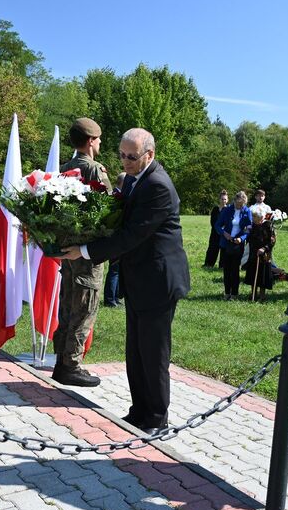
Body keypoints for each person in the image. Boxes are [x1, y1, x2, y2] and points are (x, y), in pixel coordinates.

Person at [60, 128, 190, 434]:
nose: (125, 161)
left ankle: (157, 418)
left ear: (150, 155)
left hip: (158, 281)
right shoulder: (134, 179)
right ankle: (139, 411)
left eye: (132, 157)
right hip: (139, 278)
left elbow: (132, 235)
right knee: (136, 350)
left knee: (154, 353)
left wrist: (85, 250)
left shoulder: (157, 185)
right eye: (121, 155)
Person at [51, 117, 112, 388]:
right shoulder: (94, 170)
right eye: (98, 139)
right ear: (90, 141)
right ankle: (71, 365)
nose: (99, 143)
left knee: (67, 305)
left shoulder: (64, 169)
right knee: (85, 308)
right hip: (87, 253)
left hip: (67, 252)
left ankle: (60, 362)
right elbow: (109, 209)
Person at [215, 191, 252, 300]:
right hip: (226, 243)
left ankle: (235, 293)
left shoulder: (247, 211)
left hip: (238, 244)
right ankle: (227, 292)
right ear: (234, 201)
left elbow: (249, 229)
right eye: (238, 204)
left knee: (235, 269)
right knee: (226, 269)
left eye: (242, 205)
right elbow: (217, 225)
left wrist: (242, 238)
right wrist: (224, 233)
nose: (239, 206)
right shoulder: (227, 210)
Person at [103, 172, 127, 307]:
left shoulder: (115, 195)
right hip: (116, 238)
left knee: (118, 268)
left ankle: (116, 297)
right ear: (122, 183)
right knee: (115, 269)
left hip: (117, 238)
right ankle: (110, 300)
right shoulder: (116, 197)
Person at [243, 210, 276, 301]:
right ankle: (253, 294)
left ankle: (262, 296)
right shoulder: (252, 226)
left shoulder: (268, 225)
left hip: (264, 255)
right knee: (253, 273)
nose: (253, 219)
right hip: (253, 253)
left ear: (261, 218)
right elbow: (248, 238)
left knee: (263, 275)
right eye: (253, 217)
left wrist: (264, 249)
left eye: (254, 217)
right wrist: (247, 232)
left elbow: (272, 240)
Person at [204, 190, 229, 268]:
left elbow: (228, 222)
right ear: (219, 199)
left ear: (227, 200)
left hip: (224, 233)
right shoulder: (215, 209)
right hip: (215, 232)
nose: (223, 201)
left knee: (224, 250)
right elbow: (212, 221)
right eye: (222, 199)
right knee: (212, 248)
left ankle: (222, 266)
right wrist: (217, 229)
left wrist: (222, 230)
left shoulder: (229, 210)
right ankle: (208, 264)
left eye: (225, 199)